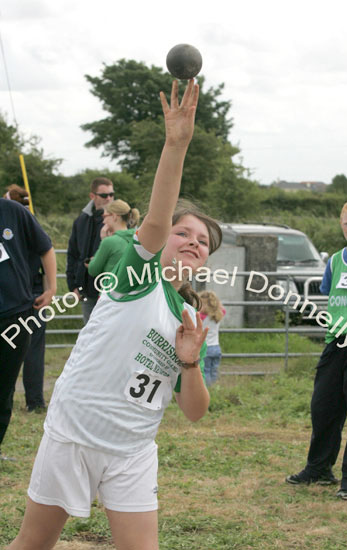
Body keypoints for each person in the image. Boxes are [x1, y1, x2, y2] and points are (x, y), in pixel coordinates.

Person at [9, 79, 222, 550]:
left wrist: (190, 362)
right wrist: (175, 144)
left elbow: (194, 412)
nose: (193, 242)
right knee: (33, 544)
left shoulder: (190, 316)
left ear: (207, 259)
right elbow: (159, 218)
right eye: (183, 233)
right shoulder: (136, 274)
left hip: (132, 449)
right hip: (75, 433)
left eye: (203, 242)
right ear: (163, 238)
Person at [286, 198, 347, 500]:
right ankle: (319, 469)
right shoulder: (335, 261)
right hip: (336, 341)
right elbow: (328, 292)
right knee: (324, 408)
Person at [0, 198, 57, 459]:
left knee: (4, 389)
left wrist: (52, 288)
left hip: (15, 316)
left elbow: (46, 248)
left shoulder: (12, 211)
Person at [3, 185, 48, 412]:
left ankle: (32, 400)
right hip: (29, 295)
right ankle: (35, 401)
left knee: (29, 351)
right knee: (33, 350)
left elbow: (45, 251)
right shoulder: (28, 221)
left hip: (25, 299)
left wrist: (48, 290)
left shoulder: (17, 221)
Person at [66, 177, 115, 323]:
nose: (109, 198)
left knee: (110, 333)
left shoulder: (118, 220)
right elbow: (73, 254)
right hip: (87, 289)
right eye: (104, 195)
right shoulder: (81, 220)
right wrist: (73, 286)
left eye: (112, 194)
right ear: (92, 196)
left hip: (111, 290)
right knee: (89, 332)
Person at [87, 199, 140, 278]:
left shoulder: (109, 242)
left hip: (112, 288)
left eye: (105, 216)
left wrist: (104, 241)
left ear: (114, 216)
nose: (103, 221)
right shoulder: (137, 238)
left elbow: (93, 270)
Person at [198, 290, 226, 386]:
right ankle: (215, 387)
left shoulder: (200, 317)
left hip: (205, 348)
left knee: (205, 371)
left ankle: (208, 389)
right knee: (214, 370)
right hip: (216, 348)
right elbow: (222, 309)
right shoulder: (218, 315)